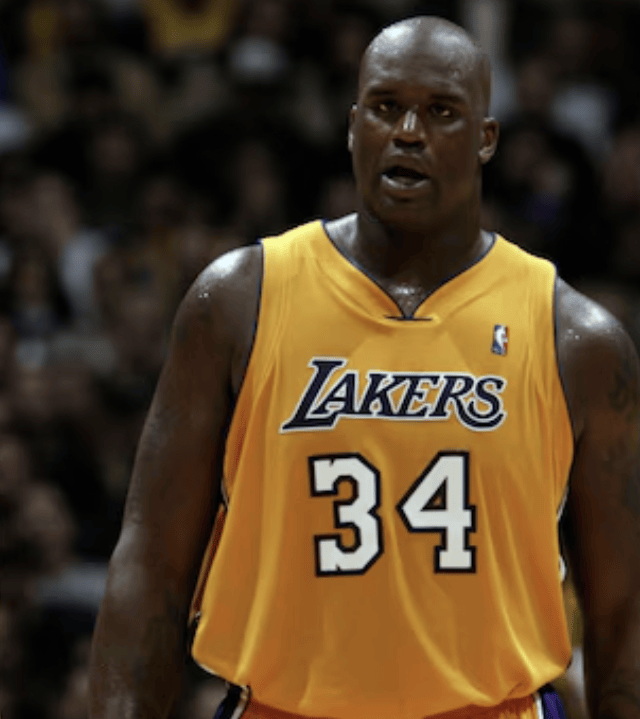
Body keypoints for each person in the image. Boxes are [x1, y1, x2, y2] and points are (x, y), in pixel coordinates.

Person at [89, 16, 640, 719]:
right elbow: (151, 567)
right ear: (353, 127)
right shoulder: (236, 301)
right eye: (385, 107)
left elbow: (623, 610)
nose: (408, 131)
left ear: (486, 139)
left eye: (441, 112)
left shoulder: (577, 340)